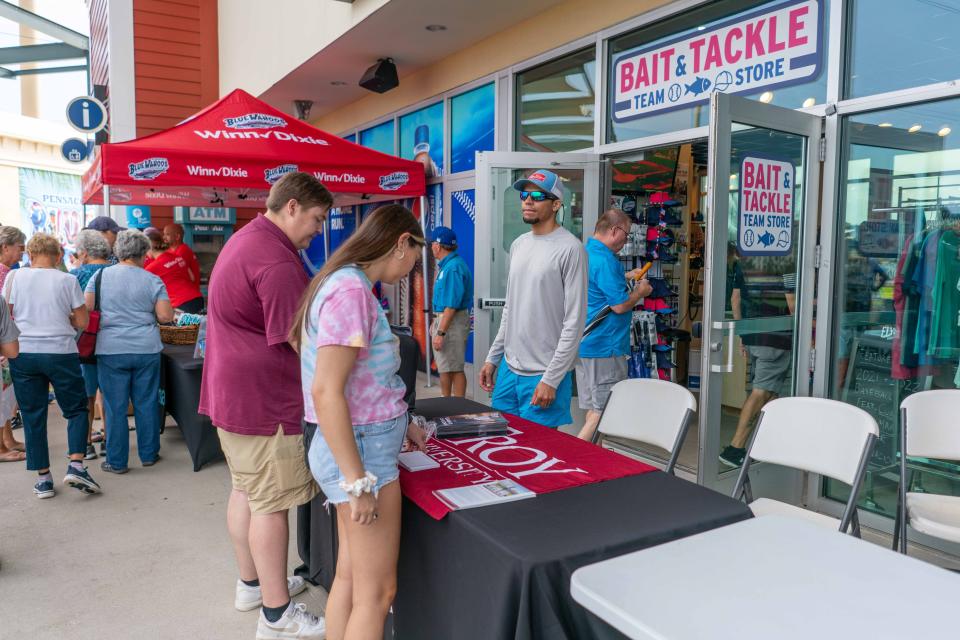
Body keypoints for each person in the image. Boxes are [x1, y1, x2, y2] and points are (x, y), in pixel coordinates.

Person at [199, 172, 332, 639]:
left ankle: (253, 585)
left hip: (233, 396)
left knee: (247, 492)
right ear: (292, 206)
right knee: (271, 505)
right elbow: (304, 344)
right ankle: (277, 616)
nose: (319, 229)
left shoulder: (248, 238)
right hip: (264, 402)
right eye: (316, 218)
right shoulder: (275, 260)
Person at [290, 204, 428, 640]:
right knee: (378, 593)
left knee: (350, 579)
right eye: (415, 256)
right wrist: (358, 483)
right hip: (362, 454)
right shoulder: (351, 291)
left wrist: (399, 416)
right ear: (402, 241)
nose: (412, 270)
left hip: (360, 445)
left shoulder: (343, 283)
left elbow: (357, 376)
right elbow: (327, 390)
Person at [478, 169, 587, 428]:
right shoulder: (519, 244)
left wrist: (552, 379)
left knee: (539, 455)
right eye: (524, 195)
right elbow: (510, 309)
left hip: (543, 373)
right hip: (509, 369)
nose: (528, 200)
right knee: (500, 447)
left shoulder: (571, 249)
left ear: (556, 204)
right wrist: (492, 357)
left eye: (538, 195)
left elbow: (575, 321)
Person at [4, 233, 99, 498]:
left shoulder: (14, 277)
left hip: (24, 353)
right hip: (61, 353)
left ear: (30, 255)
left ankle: (44, 479)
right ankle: (76, 465)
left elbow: (6, 313)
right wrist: (63, 317)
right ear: (58, 256)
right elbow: (82, 322)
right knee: (76, 409)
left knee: (33, 415)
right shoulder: (67, 280)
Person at [87, 230, 174, 473]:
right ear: (144, 253)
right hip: (146, 348)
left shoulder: (100, 276)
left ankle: (116, 461)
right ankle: (148, 454)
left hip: (111, 348)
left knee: (115, 406)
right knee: (146, 401)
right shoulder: (152, 279)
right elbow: (166, 316)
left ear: (119, 251)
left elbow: (87, 308)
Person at [576, 210, 653, 441]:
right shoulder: (606, 260)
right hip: (605, 347)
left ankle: (591, 461)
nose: (626, 240)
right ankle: (575, 458)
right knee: (602, 412)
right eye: (626, 235)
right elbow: (619, 306)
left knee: (592, 409)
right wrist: (640, 292)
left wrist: (627, 275)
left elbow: (597, 284)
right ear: (614, 230)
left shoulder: (585, 252)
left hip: (585, 346)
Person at [719, 246, 796, 468]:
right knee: (761, 392)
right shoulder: (787, 267)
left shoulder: (748, 265)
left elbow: (735, 299)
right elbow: (792, 306)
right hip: (776, 339)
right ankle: (736, 447)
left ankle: (760, 446)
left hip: (754, 335)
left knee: (770, 393)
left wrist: (743, 334)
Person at [70, 229, 112, 460]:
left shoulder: (76, 275)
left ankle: (85, 444)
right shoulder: (117, 272)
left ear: (84, 253)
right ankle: (108, 439)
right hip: (113, 342)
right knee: (108, 394)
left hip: (84, 342)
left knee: (86, 395)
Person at [429, 226, 473, 397]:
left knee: (454, 368)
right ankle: (446, 403)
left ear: (438, 246)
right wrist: (436, 321)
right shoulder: (449, 266)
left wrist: (441, 332)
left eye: (432, 243)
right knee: (446, 367)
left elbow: (452, 305)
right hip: (445, 320)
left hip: (451, 322)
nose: (432, 247)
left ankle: (458, 408)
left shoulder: (453, 268)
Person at [0, 225, 24, 462]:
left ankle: (8, 439)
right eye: (19, 247)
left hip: (7, 338)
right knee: (3, 394)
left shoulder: (8, 271)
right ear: (5, 247)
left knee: (6, 396)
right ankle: (3, 444)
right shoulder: (4, 273)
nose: (22, 252)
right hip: (6, 341)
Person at [146, 241, 205, 313]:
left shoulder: (151, 268)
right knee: (197, 324)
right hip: (197, 298)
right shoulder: (178, 257)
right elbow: (192, 277)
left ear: (149, 248)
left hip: (181, 304)